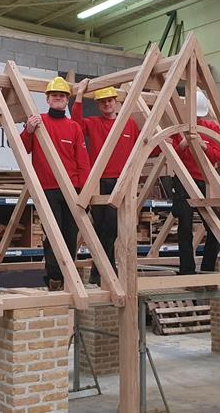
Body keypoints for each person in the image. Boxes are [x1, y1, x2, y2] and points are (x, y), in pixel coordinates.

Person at [22, 77, 90, 291]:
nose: (58, 99)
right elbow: (23, 149)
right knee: (53, 234)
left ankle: (68, 273)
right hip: (47, 190)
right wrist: (28, 131)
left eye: (61, 96)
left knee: (70, 234)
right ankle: (54, 278)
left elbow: (83, 162)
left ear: (67, 100)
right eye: (54, 96)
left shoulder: (74, 128)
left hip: (71, 190)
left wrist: (84, 193)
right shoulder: (38, 122)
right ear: (48, 99)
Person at [71, 79, 138, 285]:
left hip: (122, 182)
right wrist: (79, 96)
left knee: (113, 230)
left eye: (110, 100)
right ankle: (103, 272)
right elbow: (76, 124)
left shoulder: (129, 124)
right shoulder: (93, 123)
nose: (107, 104)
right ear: (98, 105)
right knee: (102, 228)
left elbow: (142, 148)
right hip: (99, 181)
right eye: (103, 102)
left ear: (116, 102)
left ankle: (100, 270)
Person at [169, 90, 220, 275]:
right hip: (184, 181)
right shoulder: (179, 129)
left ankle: (208, 268)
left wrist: (204, 145)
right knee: (185, 227)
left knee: (215, 227)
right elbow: (173, 156)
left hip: (206, 181)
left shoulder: (212, 128)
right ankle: (187, 271)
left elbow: (218, 155)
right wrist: (183, 144)